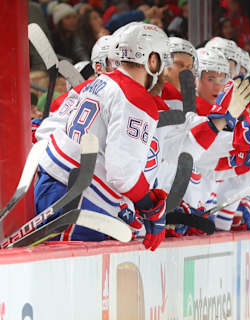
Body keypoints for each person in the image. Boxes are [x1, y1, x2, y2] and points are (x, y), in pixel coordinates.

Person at [35, 23, 171, 251]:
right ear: (152, 61)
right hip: (80, 201)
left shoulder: (96, 83)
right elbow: (122, 174)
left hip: (53, 184)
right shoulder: (135, 96)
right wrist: (151, 207)